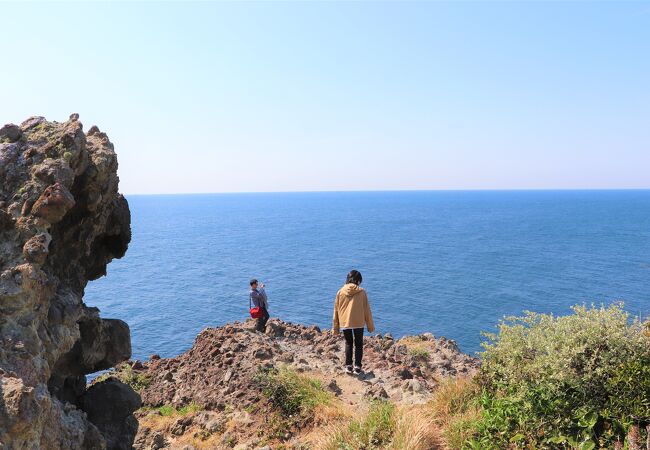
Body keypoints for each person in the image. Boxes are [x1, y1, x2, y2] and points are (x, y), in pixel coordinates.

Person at [332, 270, 375, 375]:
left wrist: (336, 328)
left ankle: (348, 366)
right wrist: (370, 326)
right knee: (359, 344)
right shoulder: (362, 292)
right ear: (358, 281)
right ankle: (357, 367)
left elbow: (336, 310)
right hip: (358, 322)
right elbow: (366, 310)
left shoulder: (340, 292)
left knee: (348, 343)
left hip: (345, 322)